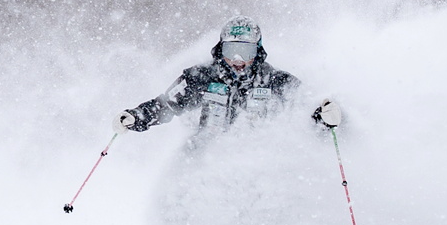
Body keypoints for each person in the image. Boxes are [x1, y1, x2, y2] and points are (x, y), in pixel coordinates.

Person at [114, 16, 341, 137]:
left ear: (258, 52)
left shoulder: (275, 81)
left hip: (260, 160)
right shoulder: (200, 77)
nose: (239, 60)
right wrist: (137, 116)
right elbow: (166, 105)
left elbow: (308, 107)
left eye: (247, 52)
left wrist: (326, 116)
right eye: (232, 51)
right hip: (208, 158)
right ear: (221, 50)